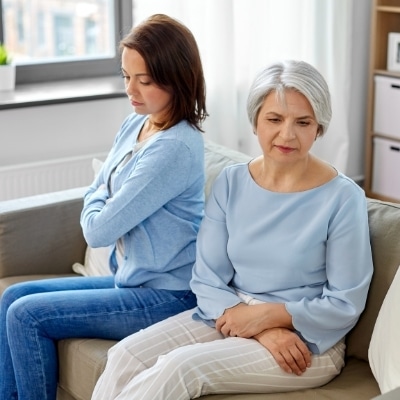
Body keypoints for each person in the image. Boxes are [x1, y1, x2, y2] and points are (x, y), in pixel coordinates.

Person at [91, 60, 374, 400]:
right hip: (229, 315)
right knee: (125, 355)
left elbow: (344, 302)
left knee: (180, 367)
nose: (287, 134)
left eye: (303, 122)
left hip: (307, 343)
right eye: (274, 119)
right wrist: (254, 324)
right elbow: (207, 276)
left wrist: (267, 319)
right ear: (255, 122)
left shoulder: (343, 198)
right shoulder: (232, 181)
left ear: (319, 128)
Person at [0, 14, 208, 400]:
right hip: (132, 280)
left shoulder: (175, 147)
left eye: (143, 80)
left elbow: (98, 229)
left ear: (176, 78)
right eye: (126, 76)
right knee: (12, 297)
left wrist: (99, 199)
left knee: (25, 315)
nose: (131, 89)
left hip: (169, 295)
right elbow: (97, 190)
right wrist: (100, 198)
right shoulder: (136, 124)